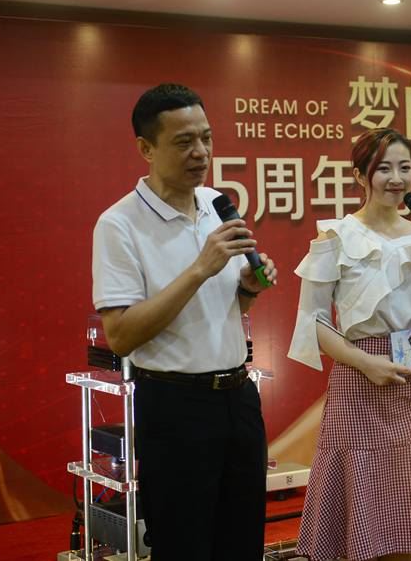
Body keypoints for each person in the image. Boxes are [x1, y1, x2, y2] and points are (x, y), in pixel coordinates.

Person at [92, 83, 277, 560]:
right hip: (174, 407)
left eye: (207, 138)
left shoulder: (216, 203)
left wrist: (247, 289)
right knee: (184, 545)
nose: (201, 152)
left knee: (242, 542)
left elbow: (225, 309)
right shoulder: (119, 224)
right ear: (146, 148)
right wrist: (199, 269)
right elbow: (121, 335)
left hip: (239, 398)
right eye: (184, 142)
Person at [287, 127, 411, 561]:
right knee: (363, 516)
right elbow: (313, 323)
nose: (397, 178)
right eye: (384, 168)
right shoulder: (335, 237)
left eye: (405, 168)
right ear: (360, 176)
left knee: (408, 518)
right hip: (359, 378)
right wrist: (366, 363)